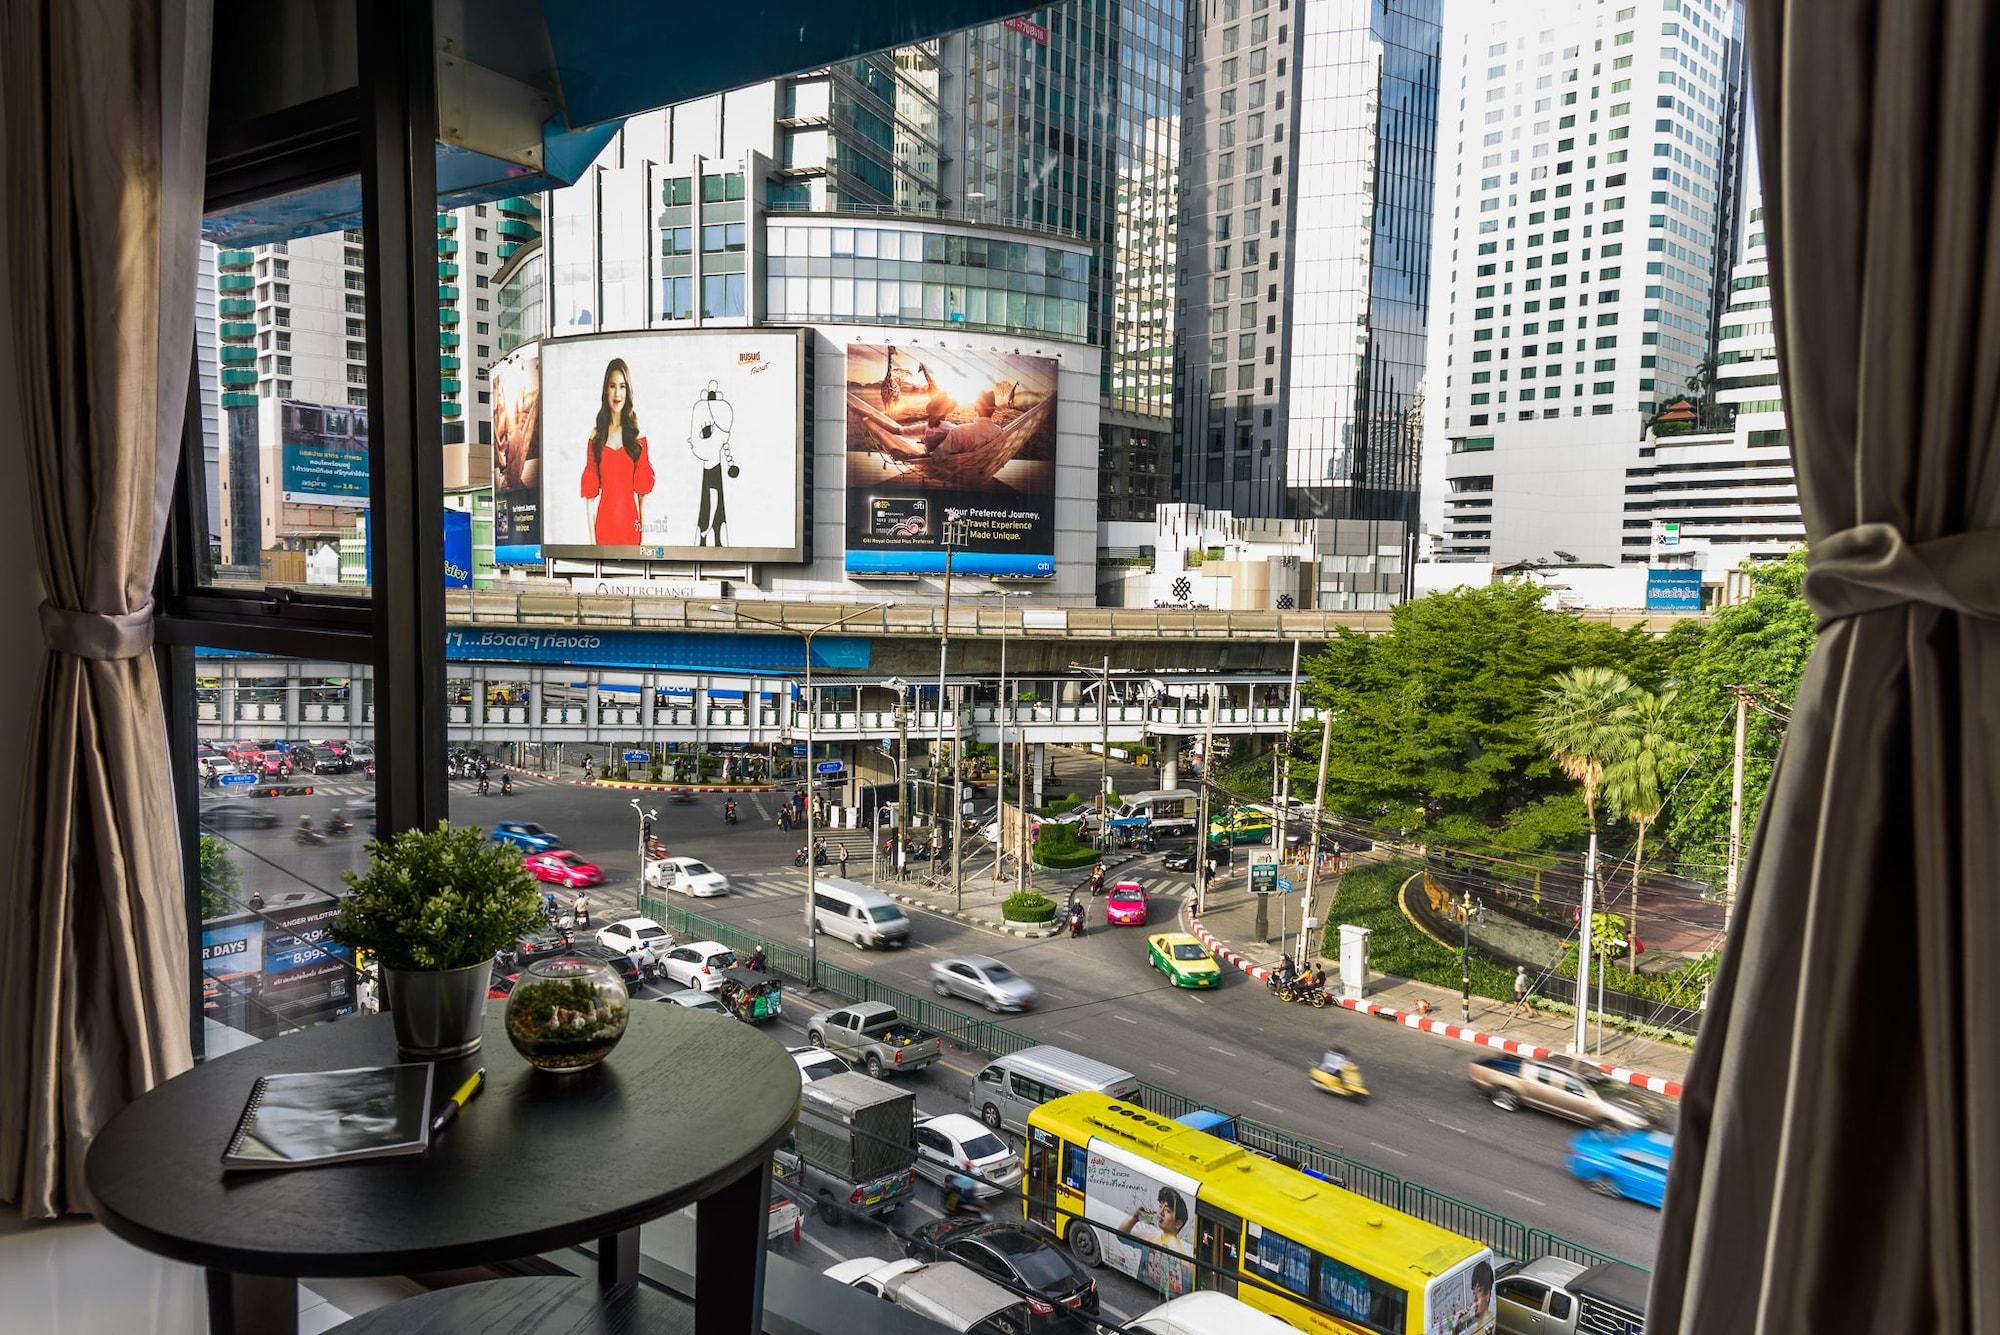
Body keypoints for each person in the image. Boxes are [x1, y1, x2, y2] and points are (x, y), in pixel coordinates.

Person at [580, 357, 655, 546]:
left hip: (632, 531)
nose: (617, 393)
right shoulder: (596, 436)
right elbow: (589, 499)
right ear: (606, 389)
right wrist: (592, 545)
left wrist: (644, 544)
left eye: (622, 386)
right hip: (603, 532)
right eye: (612, 386)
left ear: (628, 391)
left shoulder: (638, 436)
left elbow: (643, 497)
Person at [686, 380, 738, 546]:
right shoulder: (705, 473)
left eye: (705, 431)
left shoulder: (714, 474)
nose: (691, 440)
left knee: (715, 531)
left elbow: (714, 499)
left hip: (709, 534)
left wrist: (706, 527)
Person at [1120, 1186, 1194, 1299]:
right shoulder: (1150, 1237)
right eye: (1160, 1207)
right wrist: (1135, 1217)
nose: (1161, 1212)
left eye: (1167, 1211)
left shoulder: (1184, 1259)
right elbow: (1121, 1236)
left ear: (1178, 1224)